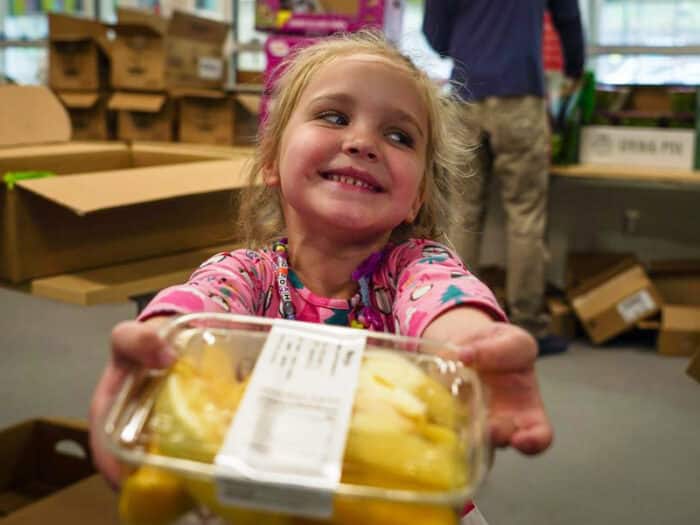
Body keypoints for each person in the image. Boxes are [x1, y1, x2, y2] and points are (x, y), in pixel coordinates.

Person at [89, 31, 553, 523]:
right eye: (334, 117)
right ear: (271, 160)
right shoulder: (251, 274)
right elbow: (198, 307)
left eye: (399, 136)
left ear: (416, 196)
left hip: (402, 500)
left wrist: (477, 346)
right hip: (260, 493)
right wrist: (155, 351)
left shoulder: (411, 268)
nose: (361, 143)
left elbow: (443, 301)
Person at [422, 1, 585, 355]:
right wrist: (575, 68)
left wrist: (470, 45)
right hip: (520, 95)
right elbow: (568, 18)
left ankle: (456, 320)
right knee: (525, 215)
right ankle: (527, 325)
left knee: (463, 213)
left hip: (465, 94)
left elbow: (433, 34)